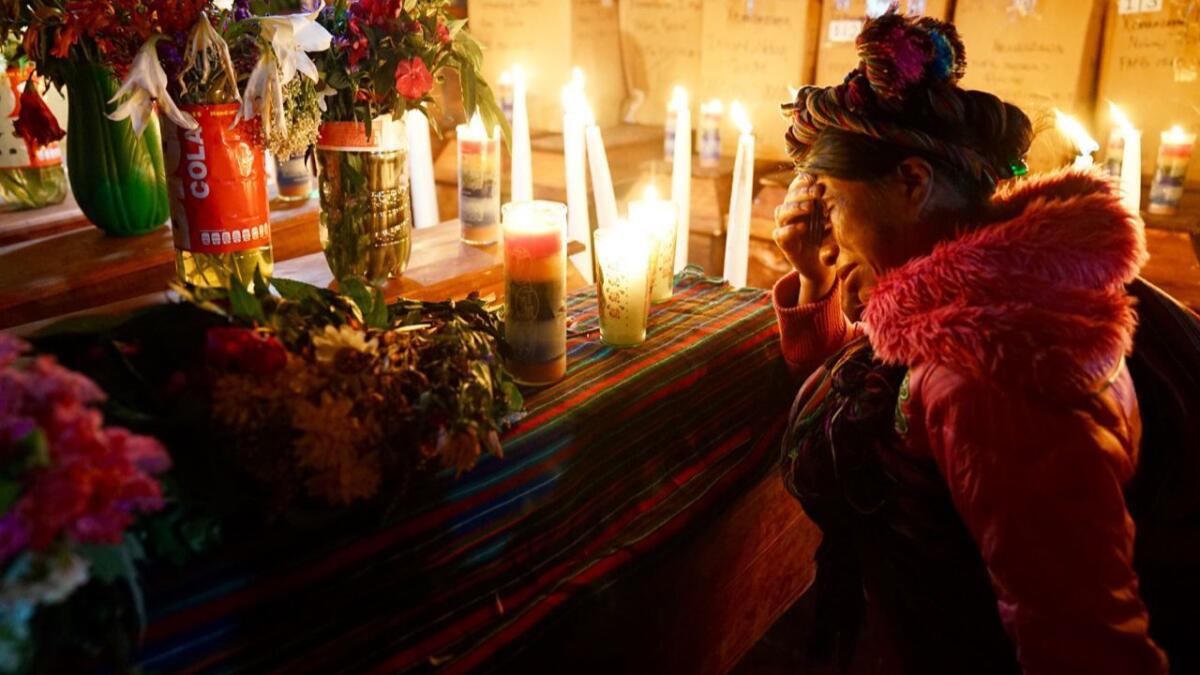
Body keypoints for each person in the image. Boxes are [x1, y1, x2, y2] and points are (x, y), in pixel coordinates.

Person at [772, 9, 1171, 675]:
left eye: (836, 206)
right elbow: (870, 403)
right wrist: (818, 276)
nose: (829, 230)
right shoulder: (966, 300)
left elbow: (1084, 639)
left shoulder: (996, 371)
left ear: (912, 183)